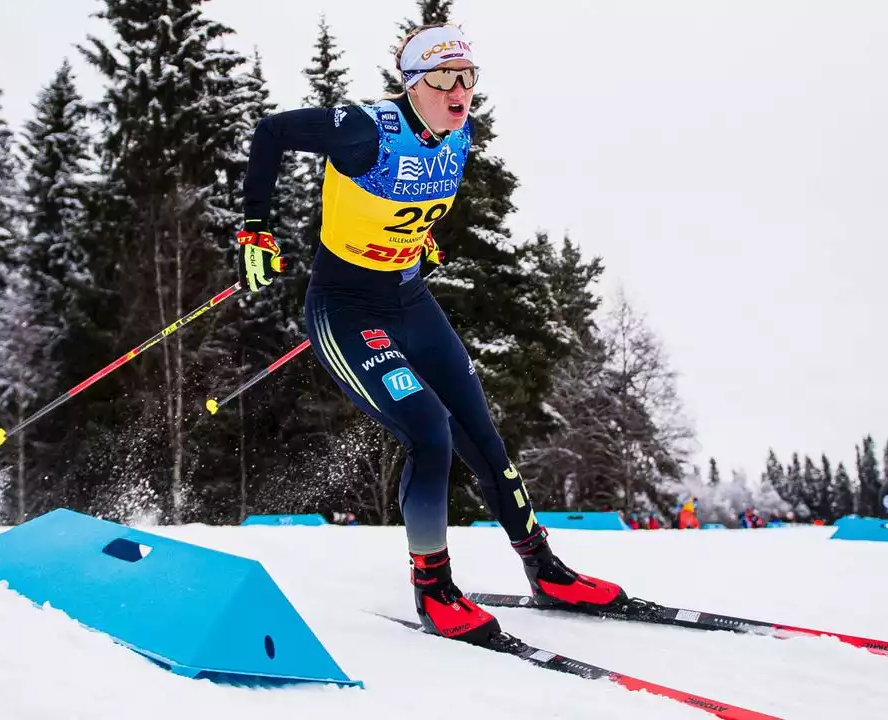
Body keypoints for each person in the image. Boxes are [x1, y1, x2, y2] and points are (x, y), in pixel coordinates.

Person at [235, 23, 629, 646]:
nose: (459, 90)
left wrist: (418, 238)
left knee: (480, 430)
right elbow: (272, 131)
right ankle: (434, 587)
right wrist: (255, 228)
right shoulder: (364, 129)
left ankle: (545, 570)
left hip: (411, 300)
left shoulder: (458, 138)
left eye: (468, 78)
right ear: (413, 85)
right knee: (428, 429)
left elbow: (406, 201)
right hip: (348, 308)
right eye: (443, 78)